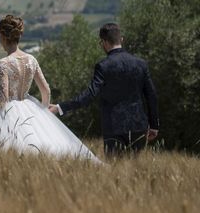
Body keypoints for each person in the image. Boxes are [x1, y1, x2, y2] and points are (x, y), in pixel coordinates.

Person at [0, 15, 98, 161]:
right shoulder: (31, 59)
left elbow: (4, 96)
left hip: (8, 112)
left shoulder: (3, 63)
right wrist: (43, 112)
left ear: (3, 37)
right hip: (30, 106)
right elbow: (46, 90)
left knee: (7, 153)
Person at [49, 23, 159, 156]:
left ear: (104, 42)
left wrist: (60, 107)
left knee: (115, 171)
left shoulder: (103, 66)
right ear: (121, 39)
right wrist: (154, 125)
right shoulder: (141, 64)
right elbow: (151, 96)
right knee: (137, 171)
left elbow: (89, 95)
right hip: (138, 126)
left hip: (113, 127)